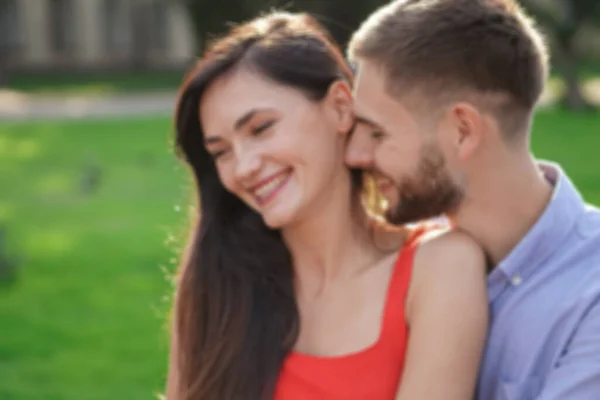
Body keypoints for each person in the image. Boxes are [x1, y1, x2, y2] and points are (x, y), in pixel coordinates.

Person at [166, 11, 488, 400]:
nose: (244, 168)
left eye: (261, 128)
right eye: (221, 152)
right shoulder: (218, 284)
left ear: (339, 107)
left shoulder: (440, 266)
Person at [346, 0, 600, 398]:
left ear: (462, 130)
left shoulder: (591, 293)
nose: (355, 156)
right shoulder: (401, 263)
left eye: (378, 134)